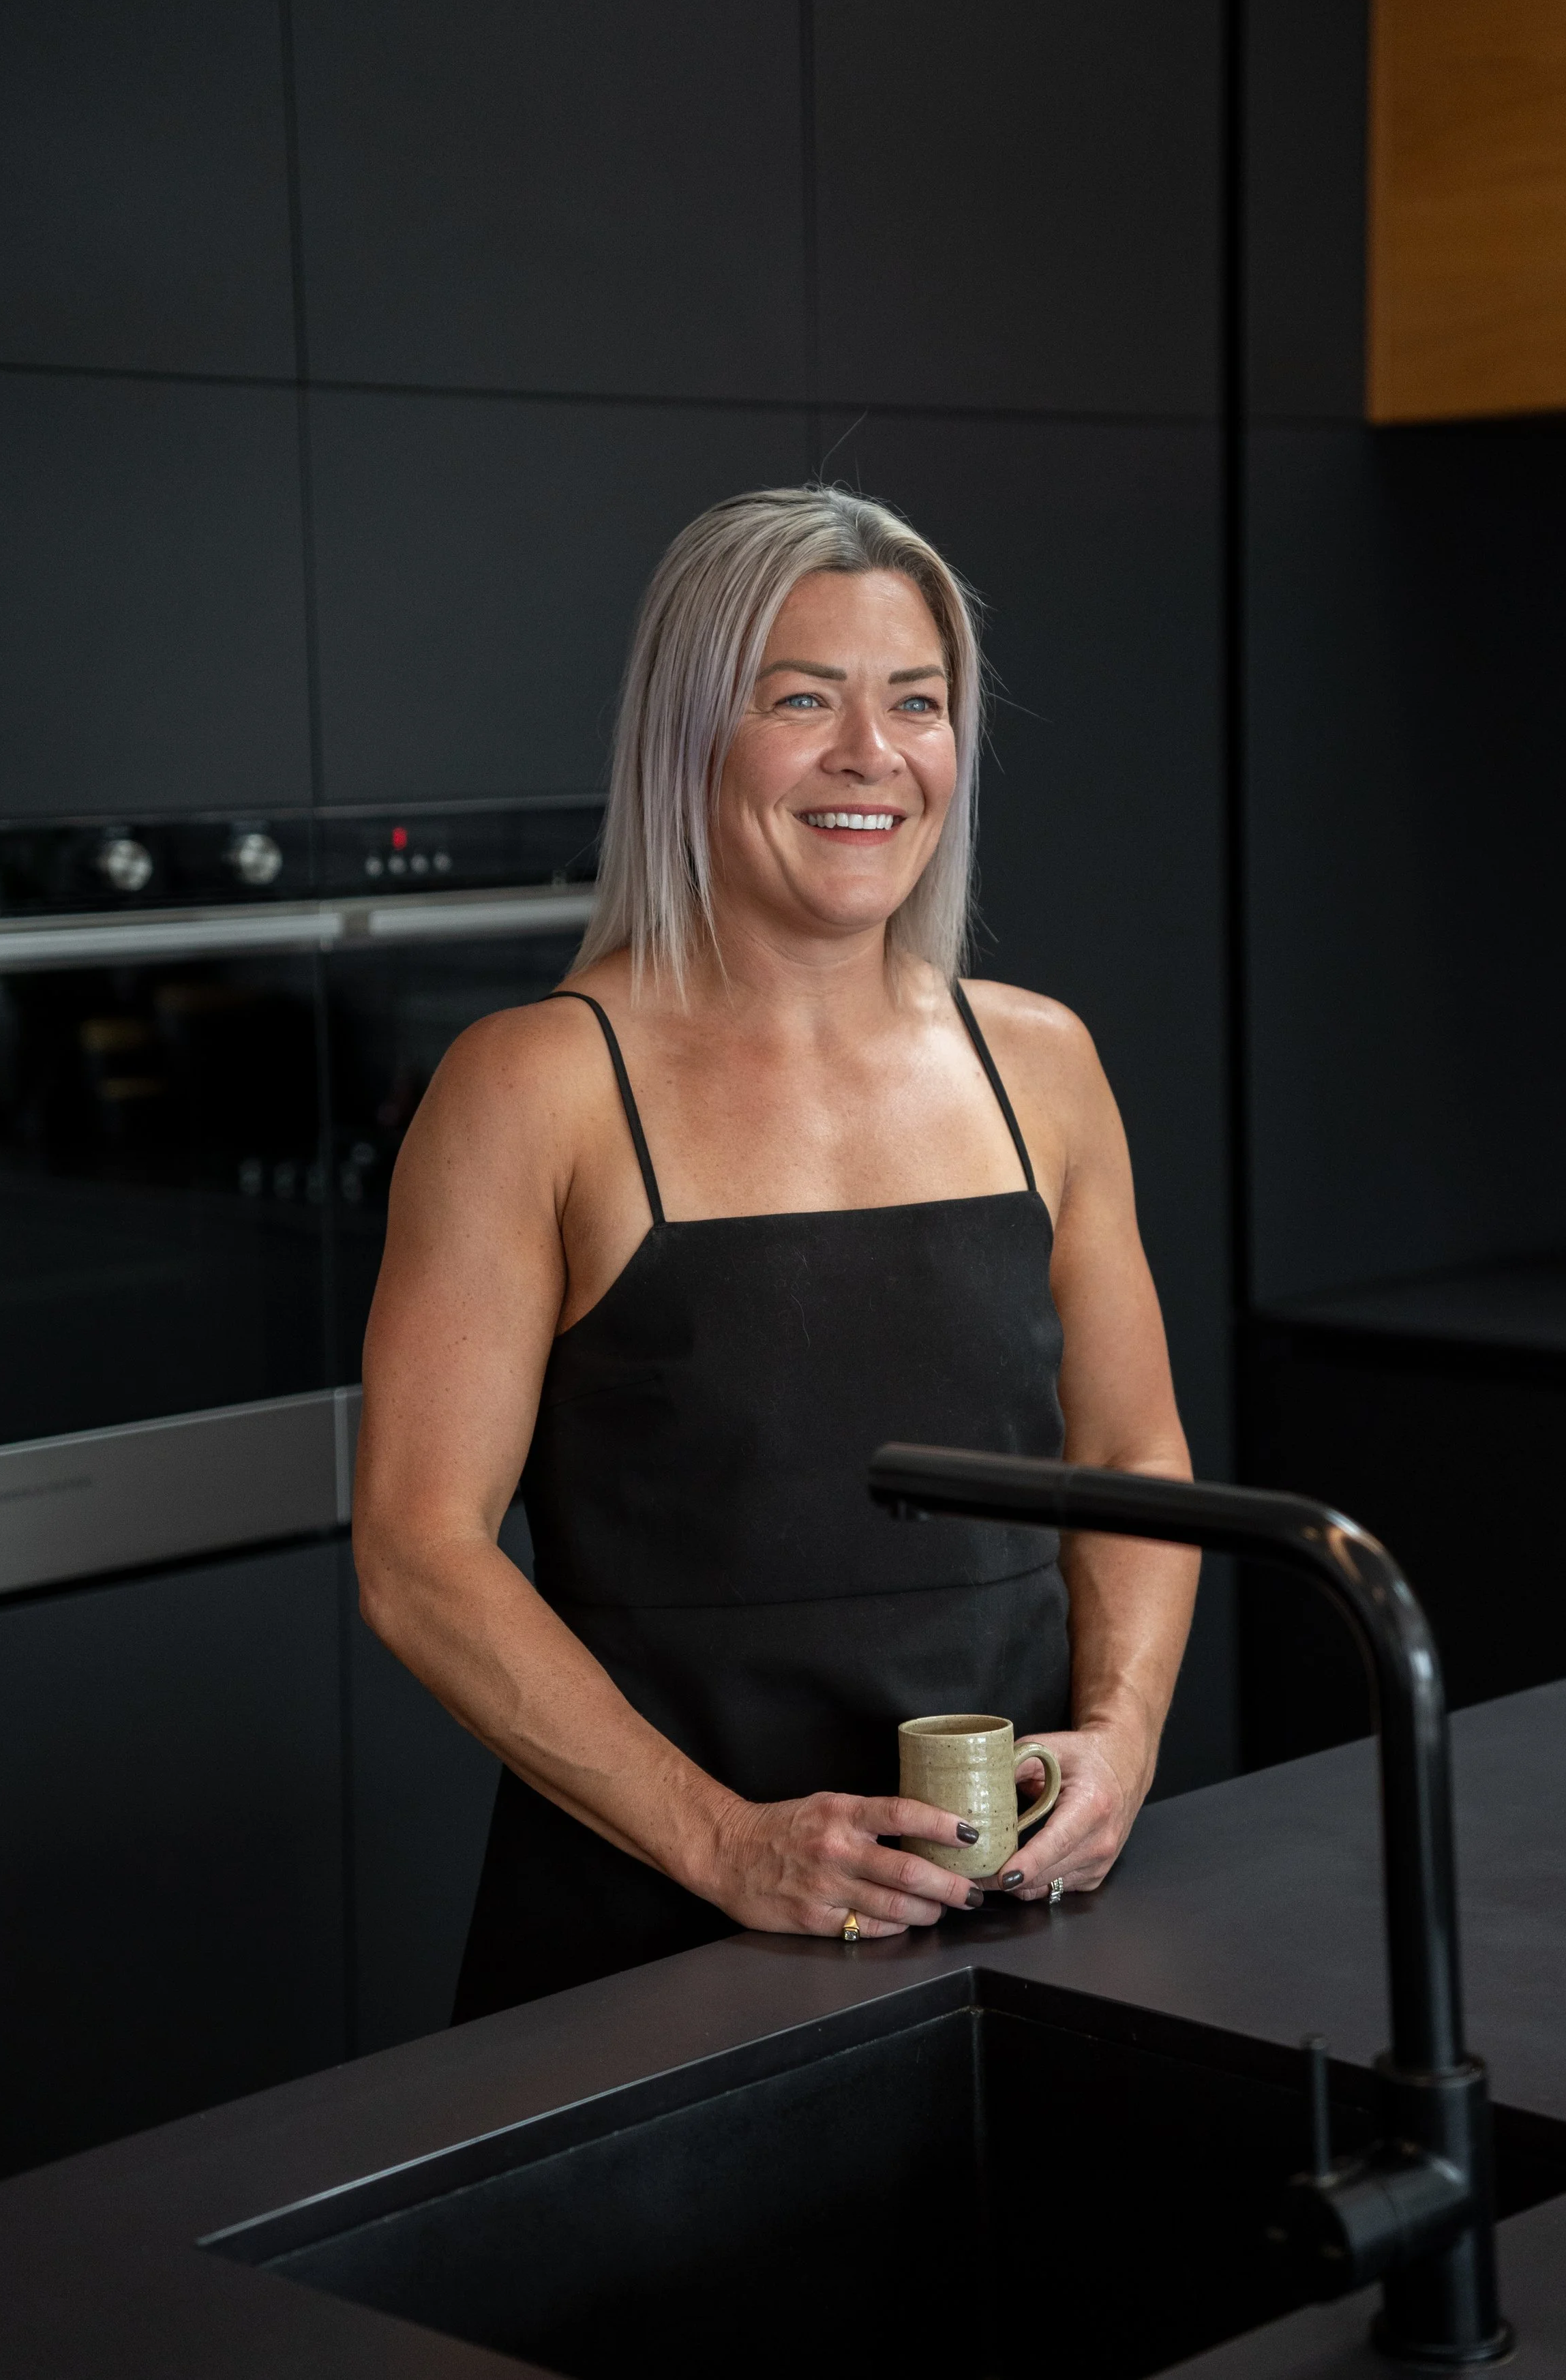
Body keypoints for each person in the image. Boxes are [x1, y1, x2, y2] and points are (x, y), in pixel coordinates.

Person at [353, 486, 1197, 2017]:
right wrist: (726, 1846)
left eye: (915, 705)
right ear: (686, 739)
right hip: (652, 1938)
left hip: (1017, 1914)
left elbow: (1133, 1452)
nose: (869, 756)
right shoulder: (534, 1084)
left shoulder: (1041, 1062)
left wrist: (1122, 1733)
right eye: (799, 701)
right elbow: (419, 1552)